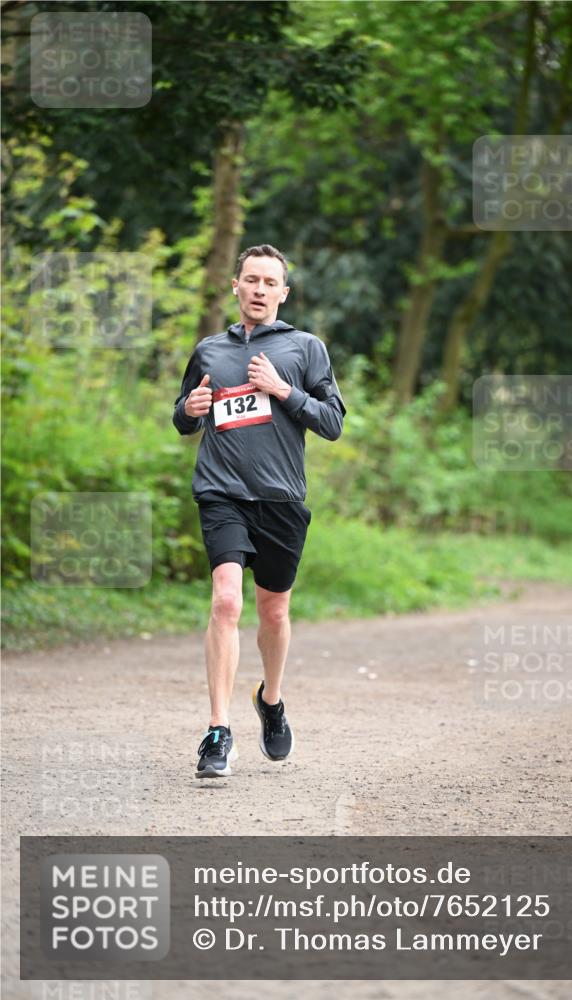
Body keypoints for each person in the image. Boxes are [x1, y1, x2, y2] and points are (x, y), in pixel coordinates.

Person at [172, 244, 346, 778]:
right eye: (251, 280)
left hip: (281, 501)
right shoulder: (208, 351)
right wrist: (188, 410)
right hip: (222, 494)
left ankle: (270, 700)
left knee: (273, 611)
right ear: (236, 286)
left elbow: (333, 422)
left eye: (270, 282)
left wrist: (283, 390)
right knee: (226, 601)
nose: (259, 290)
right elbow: (183, 416)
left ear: (283, 292)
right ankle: (218, 732)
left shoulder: (305, 347)